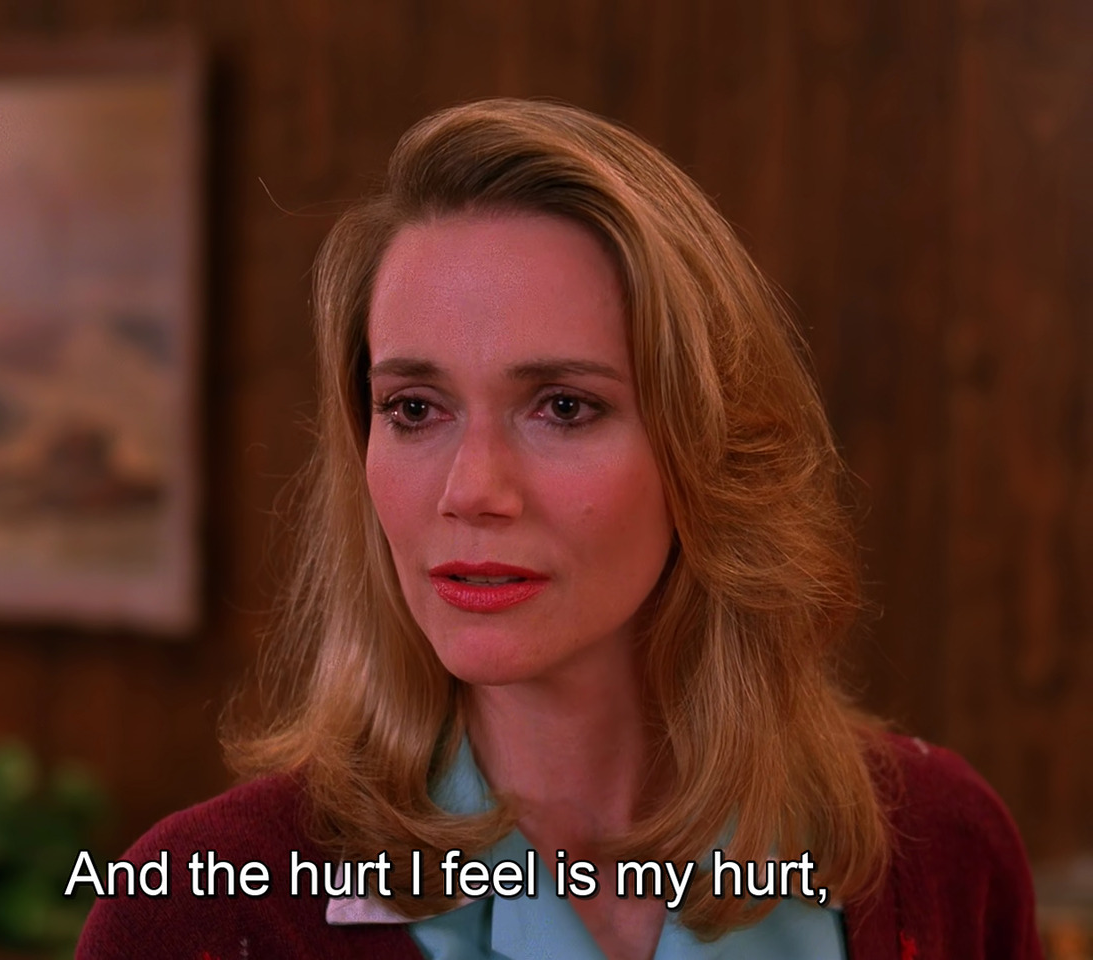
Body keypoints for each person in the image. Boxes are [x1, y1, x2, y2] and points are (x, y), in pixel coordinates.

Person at [76, 99, 1042, 960]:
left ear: (710, 448)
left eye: (563, 408)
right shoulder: (196, 912)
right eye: (414, 408)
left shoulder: (943, 847)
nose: (472, 491)